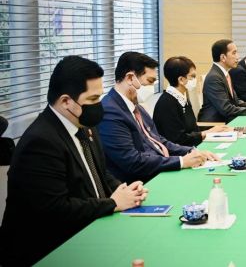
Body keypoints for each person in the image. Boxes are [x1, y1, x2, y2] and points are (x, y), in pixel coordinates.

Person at [0, 56, 148, 266]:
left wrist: (125, 190)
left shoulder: (84, 124)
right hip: (49, 250)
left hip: (91, 230)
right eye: (92, 100)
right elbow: (55, 209)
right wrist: (113, 203)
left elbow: (99, 172)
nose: (99, 105)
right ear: (66, 101)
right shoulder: (41, 142)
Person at [98, 52, 218, 184]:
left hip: (159, 169)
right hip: (140, 183)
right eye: (150, 81)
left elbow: (159, 141)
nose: (152, 87)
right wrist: (181, 161)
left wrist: (192, 151)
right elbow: (132, 161)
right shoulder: (110, 112)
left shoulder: (137, 108)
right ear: (130, 78)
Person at [153, 56, 228, 147]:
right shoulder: (166, 104)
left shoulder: (182, 97)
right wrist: (207, 133)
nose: (195, 80)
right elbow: (178, 139)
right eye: (192, 77)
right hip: (180, 154)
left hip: (193, 146)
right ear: (181, 79)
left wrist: (215, 130)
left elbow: (192, 128)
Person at [198, 39, 246, 123]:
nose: (238, 57)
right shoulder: (214, 78)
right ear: (223, 57)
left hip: (227, 120)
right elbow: (226, 109)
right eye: (234, 53)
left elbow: (235, 101)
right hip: (216, 125)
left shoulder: (224, 73)